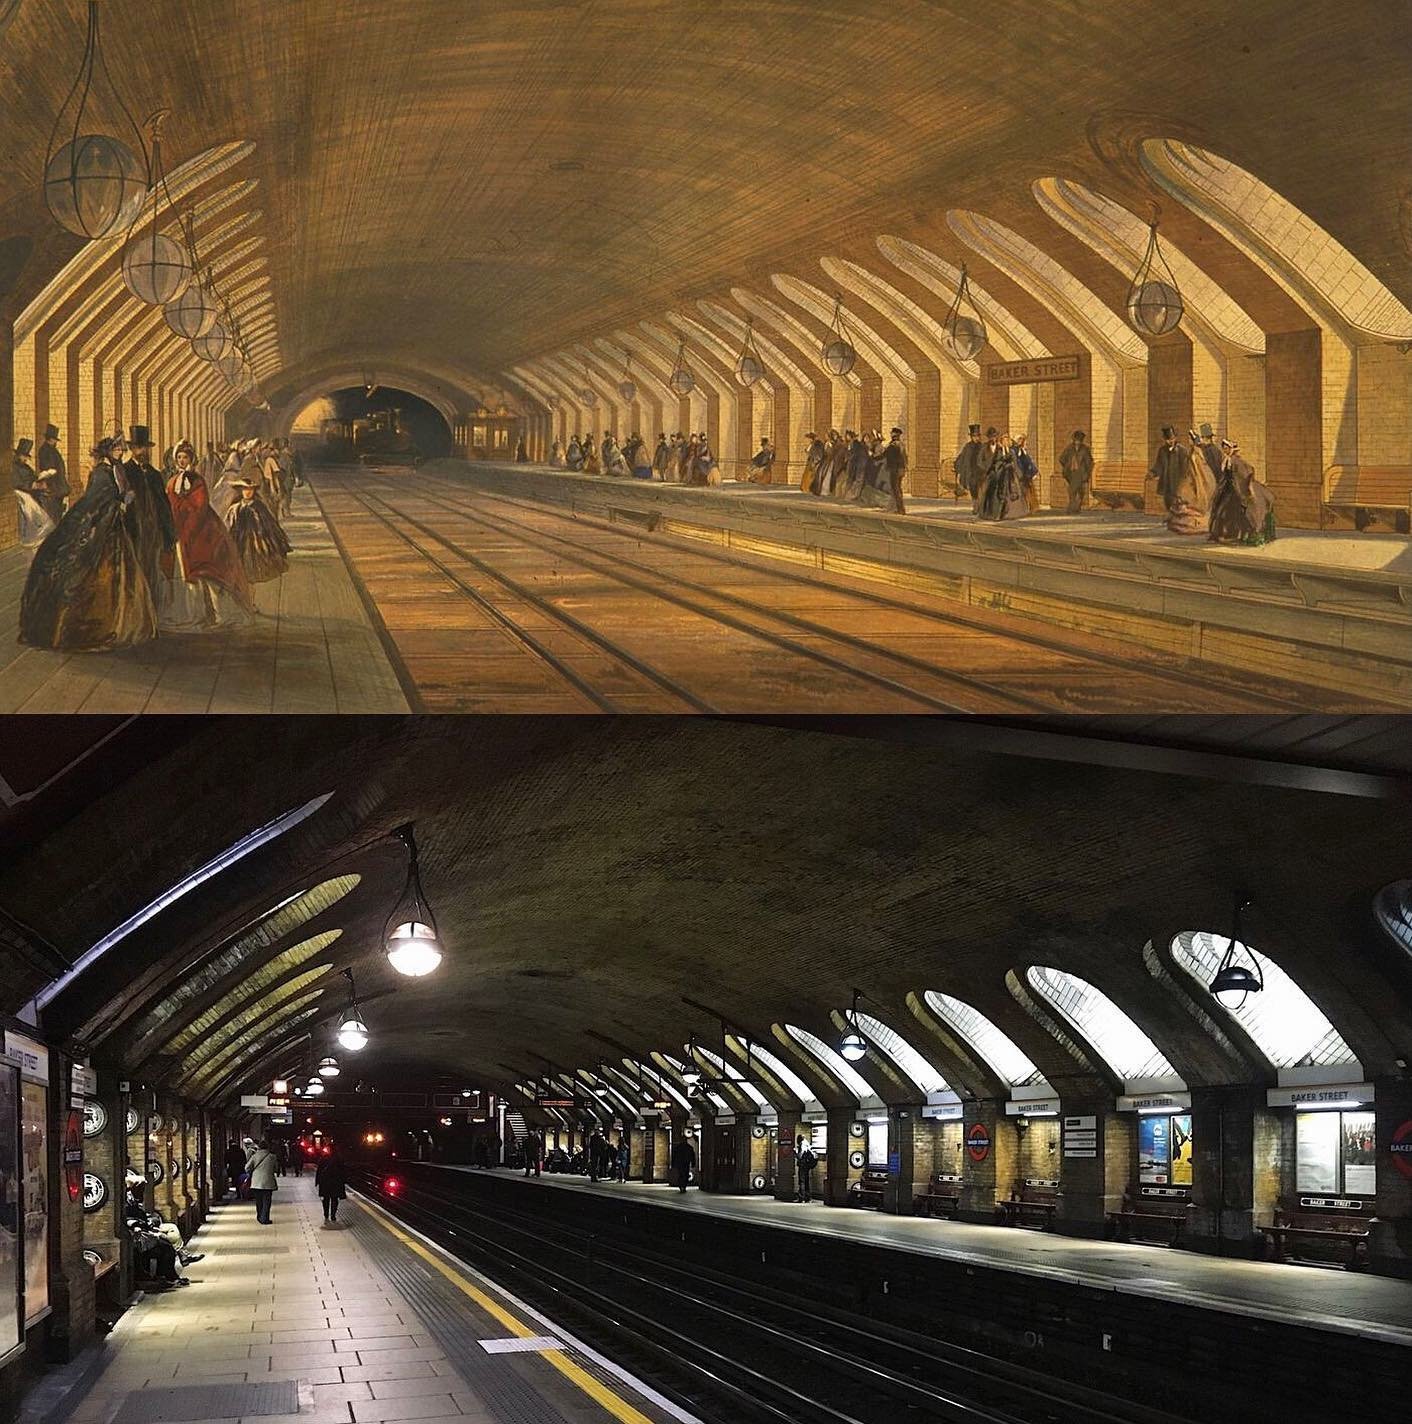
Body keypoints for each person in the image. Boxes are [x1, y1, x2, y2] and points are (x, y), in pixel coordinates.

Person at [19, 435, 158, 652]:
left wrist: (126, 499)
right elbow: (96, 500)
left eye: (122, 449)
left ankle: (123, 624)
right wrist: (119, 501)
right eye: (117, 449)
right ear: (107, 450)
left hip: (115, 528)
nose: (121, 452)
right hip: (101, 527)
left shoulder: (117, 469)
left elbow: (121, 492)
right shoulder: (102, 472)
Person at [165, 441, 253, 628]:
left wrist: (183, 518)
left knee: (209, 575)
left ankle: (219, 616)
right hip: (181, 535)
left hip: (201, 534)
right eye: (179, 457)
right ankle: (191, 615)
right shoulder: (172, 482)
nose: (182, 461)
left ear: (191, 459)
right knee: (186, 577)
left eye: (185, 457)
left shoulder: (197, 481)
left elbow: (199, 507)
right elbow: (169, 505)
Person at [123, 426, 178, 613]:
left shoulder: (155, 474)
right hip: (133, 533)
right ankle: (137, 614)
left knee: (153, 572)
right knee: (135, 573)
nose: (142, 452)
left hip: (153, 532)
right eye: (138, 448)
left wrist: (169, 533)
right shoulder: (124, 472)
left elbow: (163, 506)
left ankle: (153, 615)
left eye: (145, 448)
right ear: (132, 449)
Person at [1205, 436, 1276, 546]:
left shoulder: (1237, 461)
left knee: (1233, 512)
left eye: (1226, 448)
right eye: (1224, 448)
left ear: (1231, 449)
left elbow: (1247, 472)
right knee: (1220, 510)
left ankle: (1234, 535)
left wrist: (1242, 486)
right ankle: (1220, 535)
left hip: (1235, 490)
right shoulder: (1226, 460)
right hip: (1226, 488)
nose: (1225, 450)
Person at [226, 477, 292, 582]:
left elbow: (269, 524)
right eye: (245, 489)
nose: (248, 492)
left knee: (258, 556)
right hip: (239, 537)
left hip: (257, 536)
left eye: (250, 490)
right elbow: (229, 524)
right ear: (241, 491)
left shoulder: (259, 506)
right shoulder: (235, 508)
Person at [977, 436, 1029, 522]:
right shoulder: (999, 451)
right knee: (999, 494)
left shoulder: (1011, 451)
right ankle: (997, 514)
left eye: (1006, 441)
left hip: (1010, 475)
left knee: (1011, 492)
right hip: (1000, 475)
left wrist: (1019, 474)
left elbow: (1015, 463)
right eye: (1003, 441)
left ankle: (1010, 514)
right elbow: (995, 462)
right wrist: (1000, 466)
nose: (1005, 443)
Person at [34, 423, 70, 524]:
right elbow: (47, 470)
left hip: (57, 487)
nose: (55, 442)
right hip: (52, 487)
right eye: (54, 439)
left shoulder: (52, 450)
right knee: (53, 515)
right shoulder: (45, 450)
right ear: (50, 439)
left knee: (57, 513)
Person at [1059, 429, 1094, 513]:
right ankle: (1073, 507)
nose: (1077, 442)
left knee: (1077, 491)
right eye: (1076, 440)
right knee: (1073, 490)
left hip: (1081, 473)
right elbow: (1061, 458)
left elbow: (1089, 462)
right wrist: (1067, 466)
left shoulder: (1085, 449)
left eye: (1079, 440)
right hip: (1071, 473)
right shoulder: (1069, 448)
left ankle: (1073, 507)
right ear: (1074, 440)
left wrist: (1088, 473)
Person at [245, 1136, 278, 1225]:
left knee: (258, 1201)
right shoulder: (272, 1157)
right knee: (267, 1201)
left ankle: (259, 1216)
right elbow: (276, 1169)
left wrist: (252, 1172)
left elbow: (247, 1167)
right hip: (268, 1182)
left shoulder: (254, 1156)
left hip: (256, 1182)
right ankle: (265, 1218)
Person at [315, 1147, 347, 1226]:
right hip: (335, 1183)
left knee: (326, 1199)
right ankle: (333, 1215)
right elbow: (343, 1172)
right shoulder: (339, 1159)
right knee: (334, 1199)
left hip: (325, 1183)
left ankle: (326, 1214)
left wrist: (317, 1182)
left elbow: (319, 1171)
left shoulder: (323, 1159)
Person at [952, 423, 982, 503]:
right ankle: (975, 503)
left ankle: (978, 503)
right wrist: (957, 466)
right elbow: (961, 457)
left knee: (978, 487)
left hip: (979, 471)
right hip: (970, 471)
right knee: (973, 487)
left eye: (977, 436)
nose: (976, 438)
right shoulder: (967, 447)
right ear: (971, 437)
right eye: (974, 436)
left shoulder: (982, 447)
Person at [796, 1136, 818, 1203]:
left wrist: (796, 1153)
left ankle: (801, 1198)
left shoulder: (802, 1145)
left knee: (802, 1181)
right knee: (806, 1181)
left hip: (803, 1165)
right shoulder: (807, 1144)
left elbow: (800, 1156)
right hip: (807, 1165)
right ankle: (808, 1197)